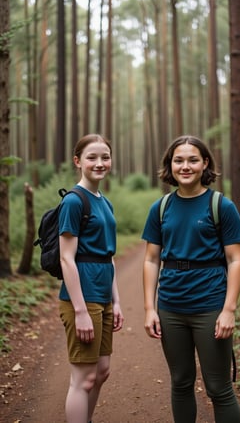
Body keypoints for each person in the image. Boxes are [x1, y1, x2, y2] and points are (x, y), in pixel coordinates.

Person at [142, 135, 240, 423]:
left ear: (205, 163)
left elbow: (235, 259)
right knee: (181, 382)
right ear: (170, 165)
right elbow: (151, 259)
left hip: (211, 306)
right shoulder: (160, 208)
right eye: (179, 160)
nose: (185, 166)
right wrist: (150, 308)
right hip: (171, 307)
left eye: (192, 160)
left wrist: (229, 310)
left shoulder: (221, 206)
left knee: (219, 388)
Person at [59, 134, 124, 423]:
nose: (100, 163)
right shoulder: (74, 201)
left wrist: (117, 301)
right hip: (82, 299)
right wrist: (81, 310)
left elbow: (108, 256)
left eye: (105, 157)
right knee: (83, 379)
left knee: (101, 372)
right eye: (92, 157)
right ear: (78, 161)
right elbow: (66, 258)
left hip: (103, 297)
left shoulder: (105, 203)